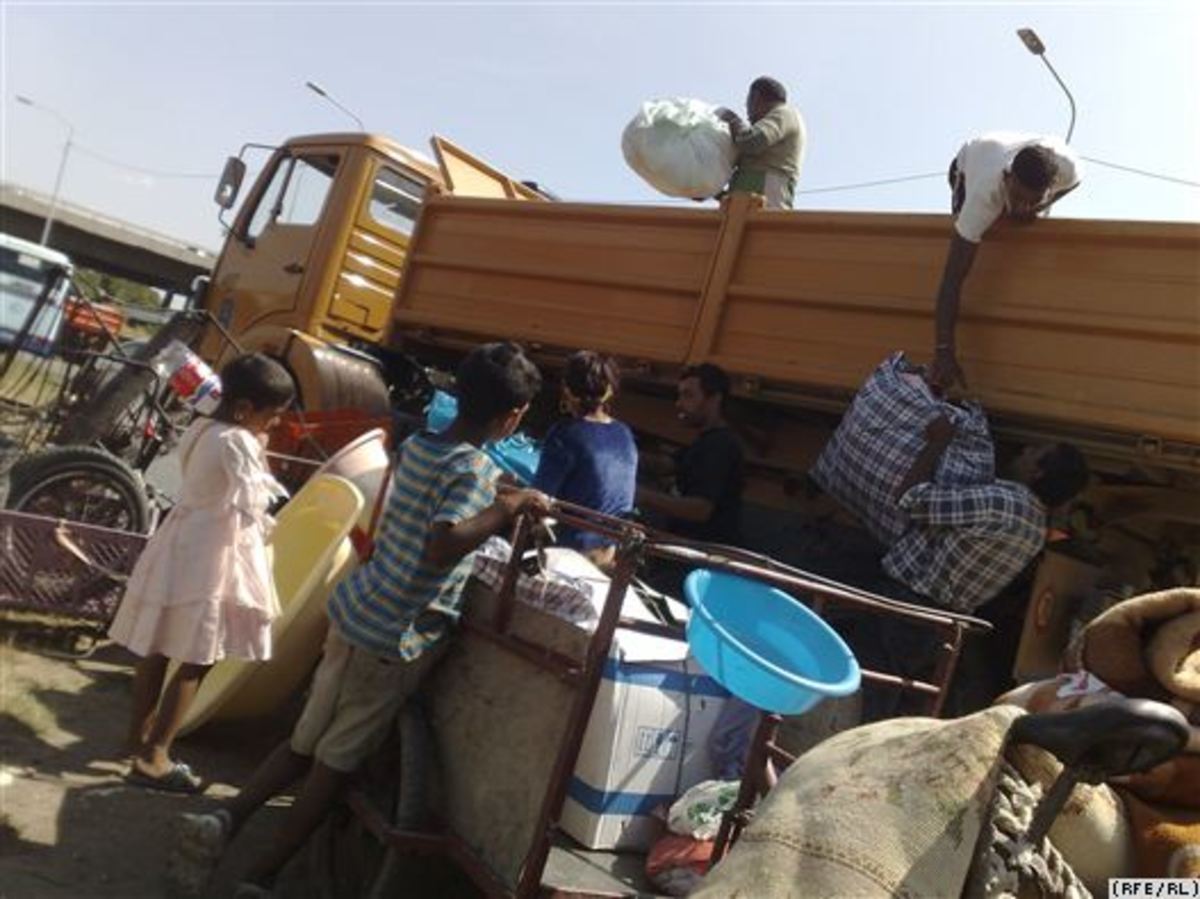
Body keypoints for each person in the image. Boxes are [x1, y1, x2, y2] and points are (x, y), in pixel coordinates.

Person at [170, 342, 548, 897]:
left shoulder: (422, 444)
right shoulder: (474, 468)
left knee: (304, 741)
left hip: (356, 611)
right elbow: (444, 544)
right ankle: (261, 877)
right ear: (511, 418)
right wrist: (508, 509)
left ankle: (222, 821)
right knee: (334, 764)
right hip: (395, 636)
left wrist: (497, 500)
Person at [110, 352, 295, 793]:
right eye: (272, 417)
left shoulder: (201, 427)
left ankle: (137, 739)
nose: (273, 426)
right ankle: (156, 757)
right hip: (212, 557)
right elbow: (255, 501)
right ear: (245, 409)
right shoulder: (239, 441)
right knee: (196, 659)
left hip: (181, 542)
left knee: (157, 647)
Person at [931, 132, 1082, 390]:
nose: (1022, 207)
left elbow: (1075, 184)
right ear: (1006, 178)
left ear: (1049, 187)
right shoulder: (985, 191)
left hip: (1009, 151)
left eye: (1032, 200)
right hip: (969, 163)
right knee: (968, 233)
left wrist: (1035, 209)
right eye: (1018, 197)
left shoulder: (1067, 169)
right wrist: (944, 350)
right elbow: (952, 278)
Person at [532, 350, 637, 568]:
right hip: (611, 554)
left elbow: (537, 501)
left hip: (574, 556)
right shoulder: (624, 432)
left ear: (566, 389)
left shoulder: (565, 434)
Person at [637, 363, 744, 547]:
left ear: (714, 399)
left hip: (697, 556)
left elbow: (700, 509)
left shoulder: (721, 446)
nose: (679, 403)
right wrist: (624, 452)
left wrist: (643, 495)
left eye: (688, 395)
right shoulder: (705, 442)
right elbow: (667, 465)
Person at [715, 76, 806, 209]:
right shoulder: (773, 126)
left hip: (766, 206)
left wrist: (733, 120)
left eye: (747, 102)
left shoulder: (785, 113)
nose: (746, 109)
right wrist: (712, 190)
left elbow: (751, 142)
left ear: (755, 98)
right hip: (740, 213)